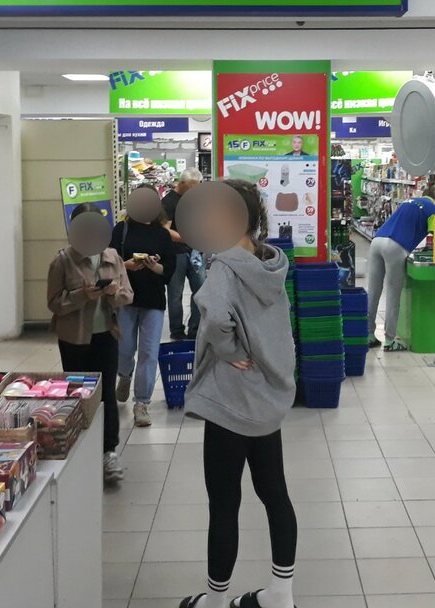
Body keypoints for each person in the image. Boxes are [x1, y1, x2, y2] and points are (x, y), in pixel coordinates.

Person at [181, 179, 298, 608]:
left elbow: (214, 319)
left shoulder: (225, 267)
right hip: (267, 400)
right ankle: (280, 593)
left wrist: (229, 351)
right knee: (275, 493)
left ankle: (214, 601)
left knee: (225, 501)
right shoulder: (269, 262)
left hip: (230, 401)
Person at [47, 203, 134, 483]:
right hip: (74, 338)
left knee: (106, 393)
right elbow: (54, 303)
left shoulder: (112, 257)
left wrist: (113, 293)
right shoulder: (63, 261)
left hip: (106, 334)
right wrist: (82, 295)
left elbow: (128, 295)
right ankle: (79, 448)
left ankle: (109, 452)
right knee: (78, 395)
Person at [111, 185, 176, 428]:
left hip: (154, 300)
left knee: (149, 352)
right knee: (125, 347)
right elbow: (110, 261)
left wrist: (153, 266)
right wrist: (126, 265)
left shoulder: (162, 235)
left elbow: (168, 270)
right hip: (126, 299)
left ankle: (142, 403)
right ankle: (124, 375)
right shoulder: (121, 230)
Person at [367, 195, 435, 351]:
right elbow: (434, 235)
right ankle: (389, 340)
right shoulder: (434, 210)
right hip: (396, 246)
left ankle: (368, 335)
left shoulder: (408, 202)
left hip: (377, 241)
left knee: (373, 291)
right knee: (393, 293)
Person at [162, 169, 205, 340]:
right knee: (175, 294)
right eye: (192, 187)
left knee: (200, 291)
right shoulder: (168, 202)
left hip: (196, 252)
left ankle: (195, 328)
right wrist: (187, 238)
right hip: (175, 254)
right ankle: (177, 331)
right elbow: (165, 230)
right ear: (182, 183)